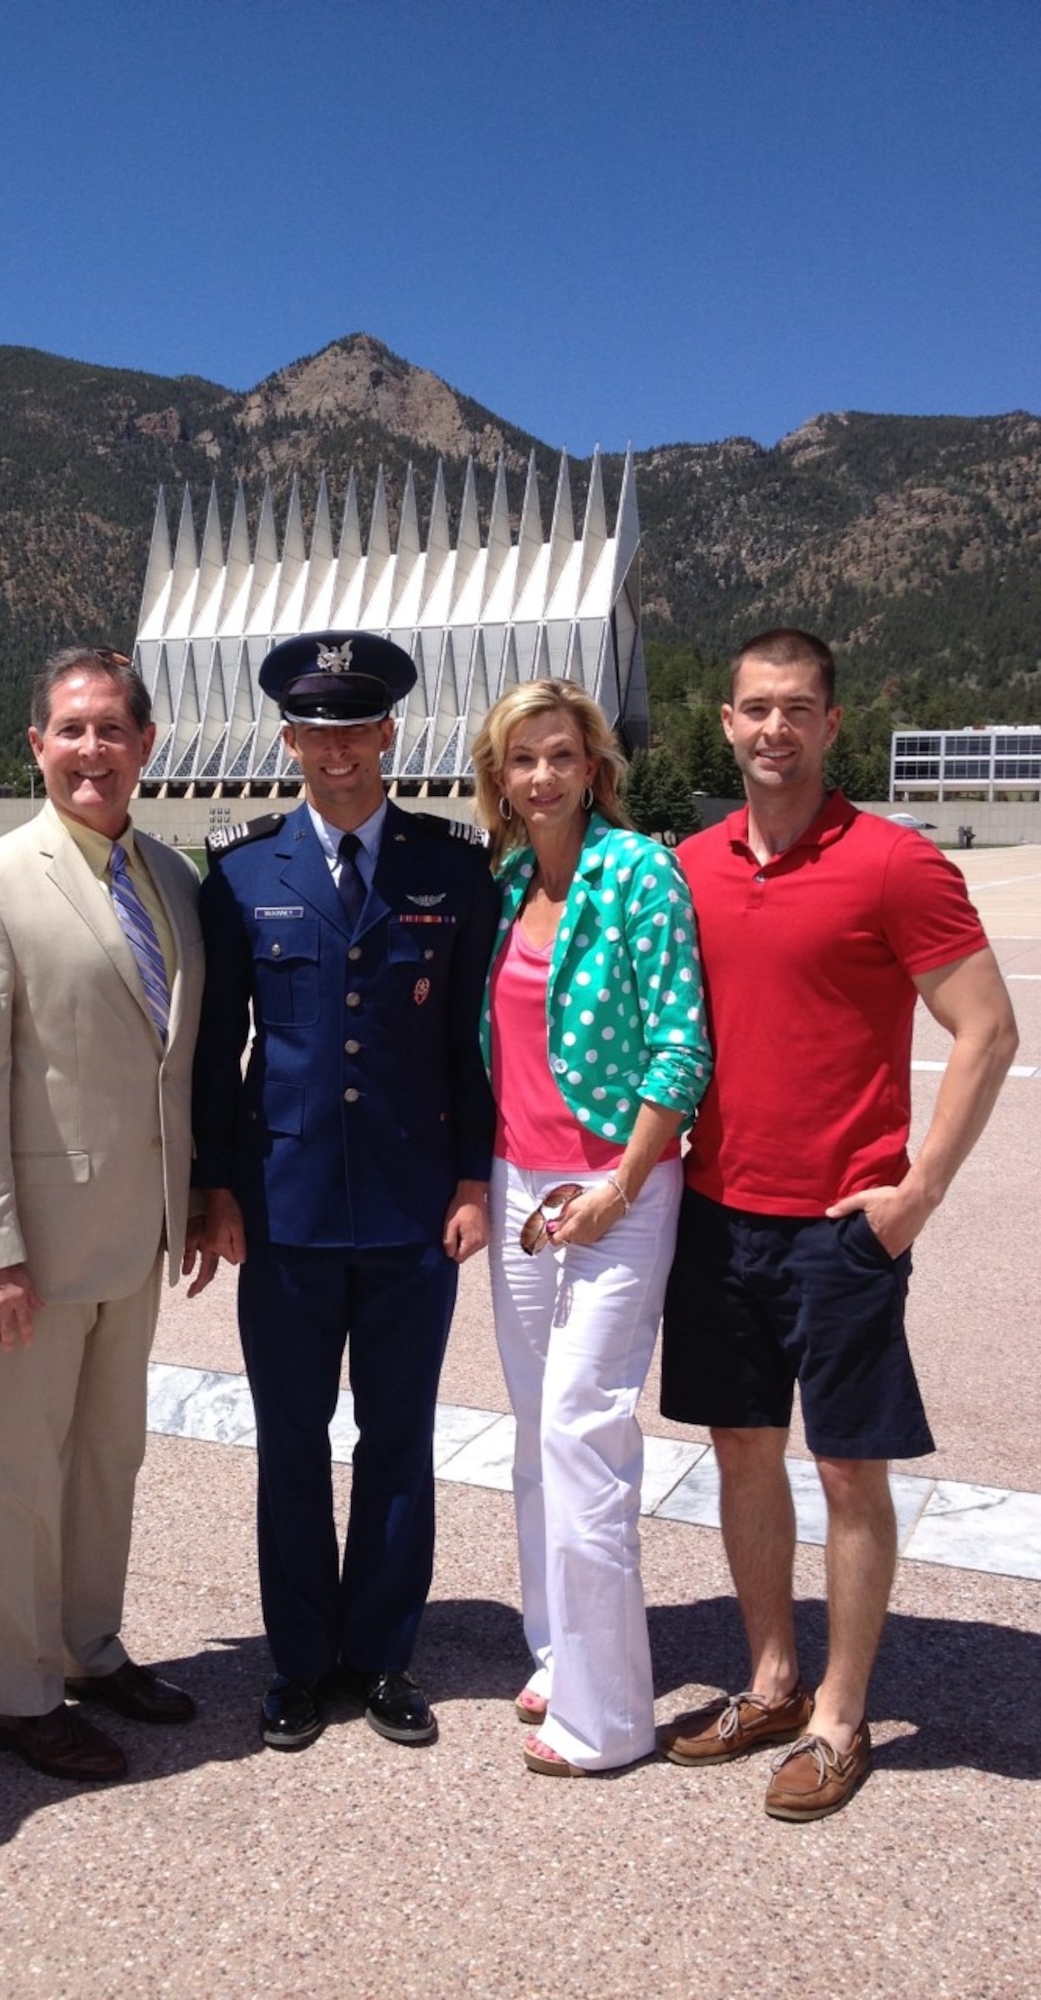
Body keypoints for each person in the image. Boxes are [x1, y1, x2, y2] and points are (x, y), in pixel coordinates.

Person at [658, 627, 1018, 1821]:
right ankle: (769, 1675)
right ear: (724, 720)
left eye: (796, 707)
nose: (774, 727)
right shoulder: (691, 865)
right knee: (742, 1449)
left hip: (841, 1224)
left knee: (849, 1468)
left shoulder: (894, 863)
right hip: (718, 1212)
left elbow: (988, 1028)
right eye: (754, 707)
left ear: (831, 722)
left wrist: (915, 1193)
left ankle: (841, 1713)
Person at [193, 630, 498, 1750]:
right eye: (315, 728)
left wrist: (473, 1175)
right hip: (284, 1207)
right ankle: (298, 1660)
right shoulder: (241, 870)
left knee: (399, 1436)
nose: (336, 748)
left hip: (418, 1207)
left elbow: (472, 1044)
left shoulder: (453, 868)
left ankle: (380, 1654)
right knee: (289, 1441)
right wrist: (211, 1186)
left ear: (389, 734)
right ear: (288, 738)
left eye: (355, 726)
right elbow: (219, 1047)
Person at [0, 644, 214, 1784]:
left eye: (113, 729)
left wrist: (187, 1200)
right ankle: (17, 1689)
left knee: (107, 1456)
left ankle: (91, 1646)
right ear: (36, 743)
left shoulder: (174, 883)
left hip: (135, 1233)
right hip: (30, 1250)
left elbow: (166, 1070)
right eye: (71, 728)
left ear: (146, 744)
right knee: (13, 1470)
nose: (93, 749)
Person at [470, 681, 711, 1776]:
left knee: (583, 1427)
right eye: (523, 759)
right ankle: (559, 1643)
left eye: (561, 756)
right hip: (521, 1177)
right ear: (500, 776)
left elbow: (681, 1046)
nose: (543, 778)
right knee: (533, 1428)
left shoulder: (638, 873)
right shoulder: (513, 877)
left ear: (594, 766)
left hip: (614, 1183)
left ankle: (611, 1713)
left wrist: (622, 1180)